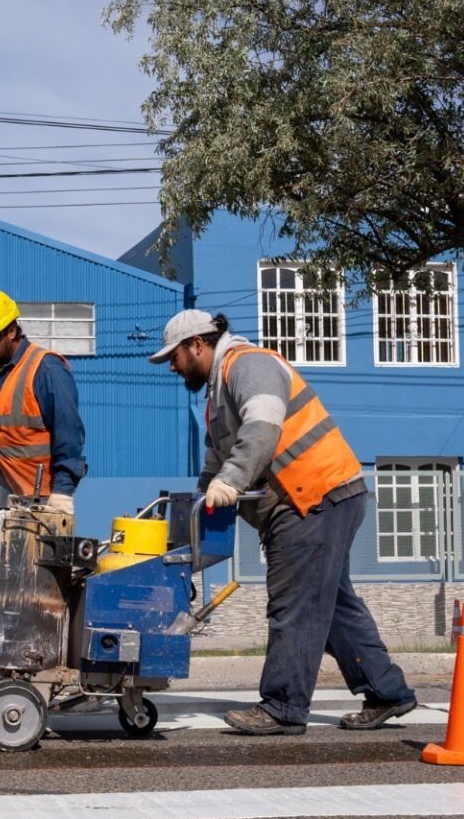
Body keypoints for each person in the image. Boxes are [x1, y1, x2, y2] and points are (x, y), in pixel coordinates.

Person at [149, 308, 417, 735]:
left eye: (174, 358)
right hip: (323, 497)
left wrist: (231, 481)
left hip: (313, 497)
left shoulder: (248, 365)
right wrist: (188, 527)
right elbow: (215, 465)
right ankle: (388, 690)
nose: (173, 368)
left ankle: (283, 707)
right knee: (330, 607)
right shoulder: (218, 395)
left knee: (294, 606)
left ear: (197, 344)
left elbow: (263, 425)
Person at [0, 288, 86, 513]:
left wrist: (62, 492)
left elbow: (69, 434)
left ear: (12, 331)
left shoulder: (46, 370)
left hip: (42, 504)